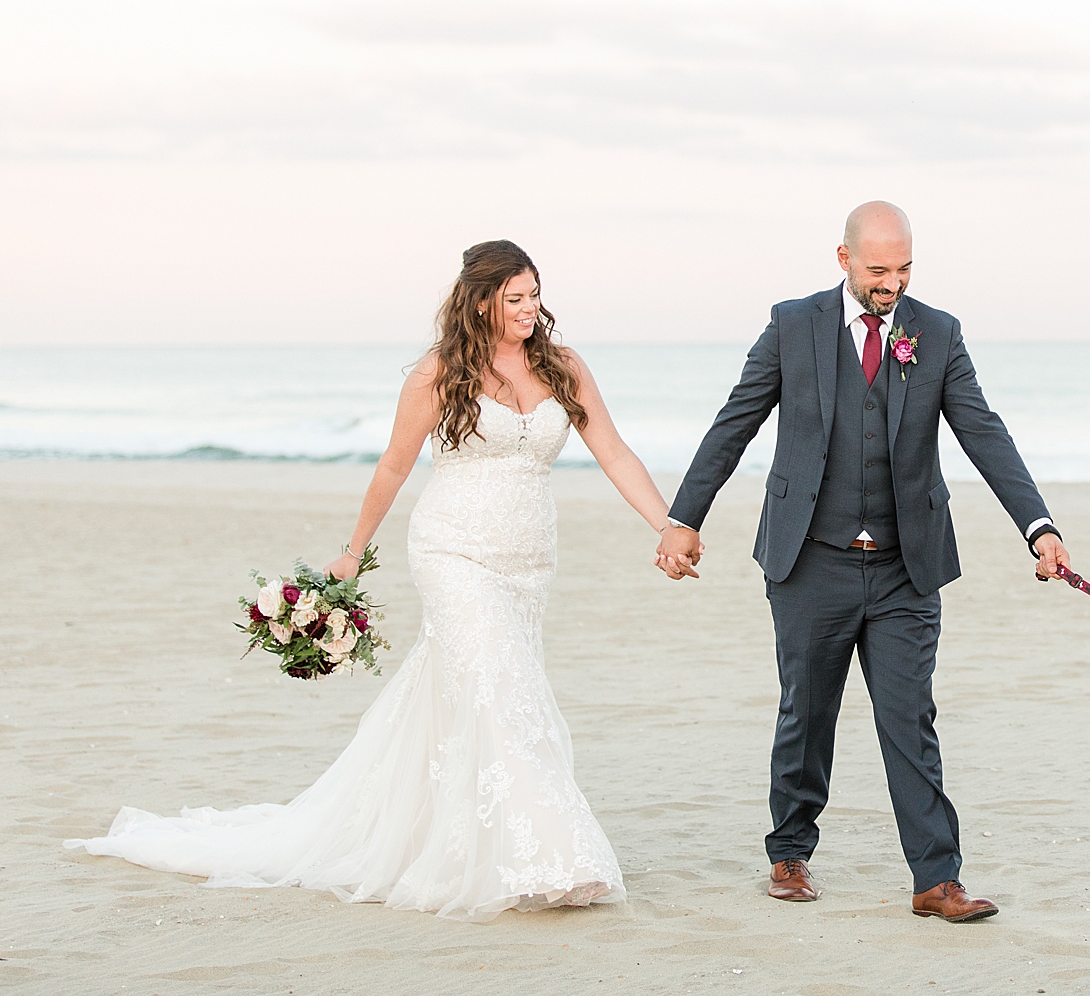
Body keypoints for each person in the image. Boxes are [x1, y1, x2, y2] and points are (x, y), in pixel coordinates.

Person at [67, 240, 682, 921]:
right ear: (481, 300)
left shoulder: (563, 366)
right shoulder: (440, 372)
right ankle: (555, 860)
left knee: (482, 695)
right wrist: (353, 553)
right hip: (452, 550)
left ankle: (468, 841)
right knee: (507, 692)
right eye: (515, 298)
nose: (530, 309)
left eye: (535, 295)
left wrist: (666, 523)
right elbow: (394, 466)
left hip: (529, 561)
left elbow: (614, 451)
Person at [655, 201, 1071, 922]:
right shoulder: (793, 325)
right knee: (807, 712)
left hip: (907, 567)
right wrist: (684, 518)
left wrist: (1038, 527)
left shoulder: (936, 333)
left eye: (905, 267)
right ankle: (790, 852)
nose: (893, 283)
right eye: (879, 269)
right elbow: (736, 422)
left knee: (910, 717)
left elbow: (982, 430)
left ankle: (936, 880)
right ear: (843, 259)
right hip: (810, 561)